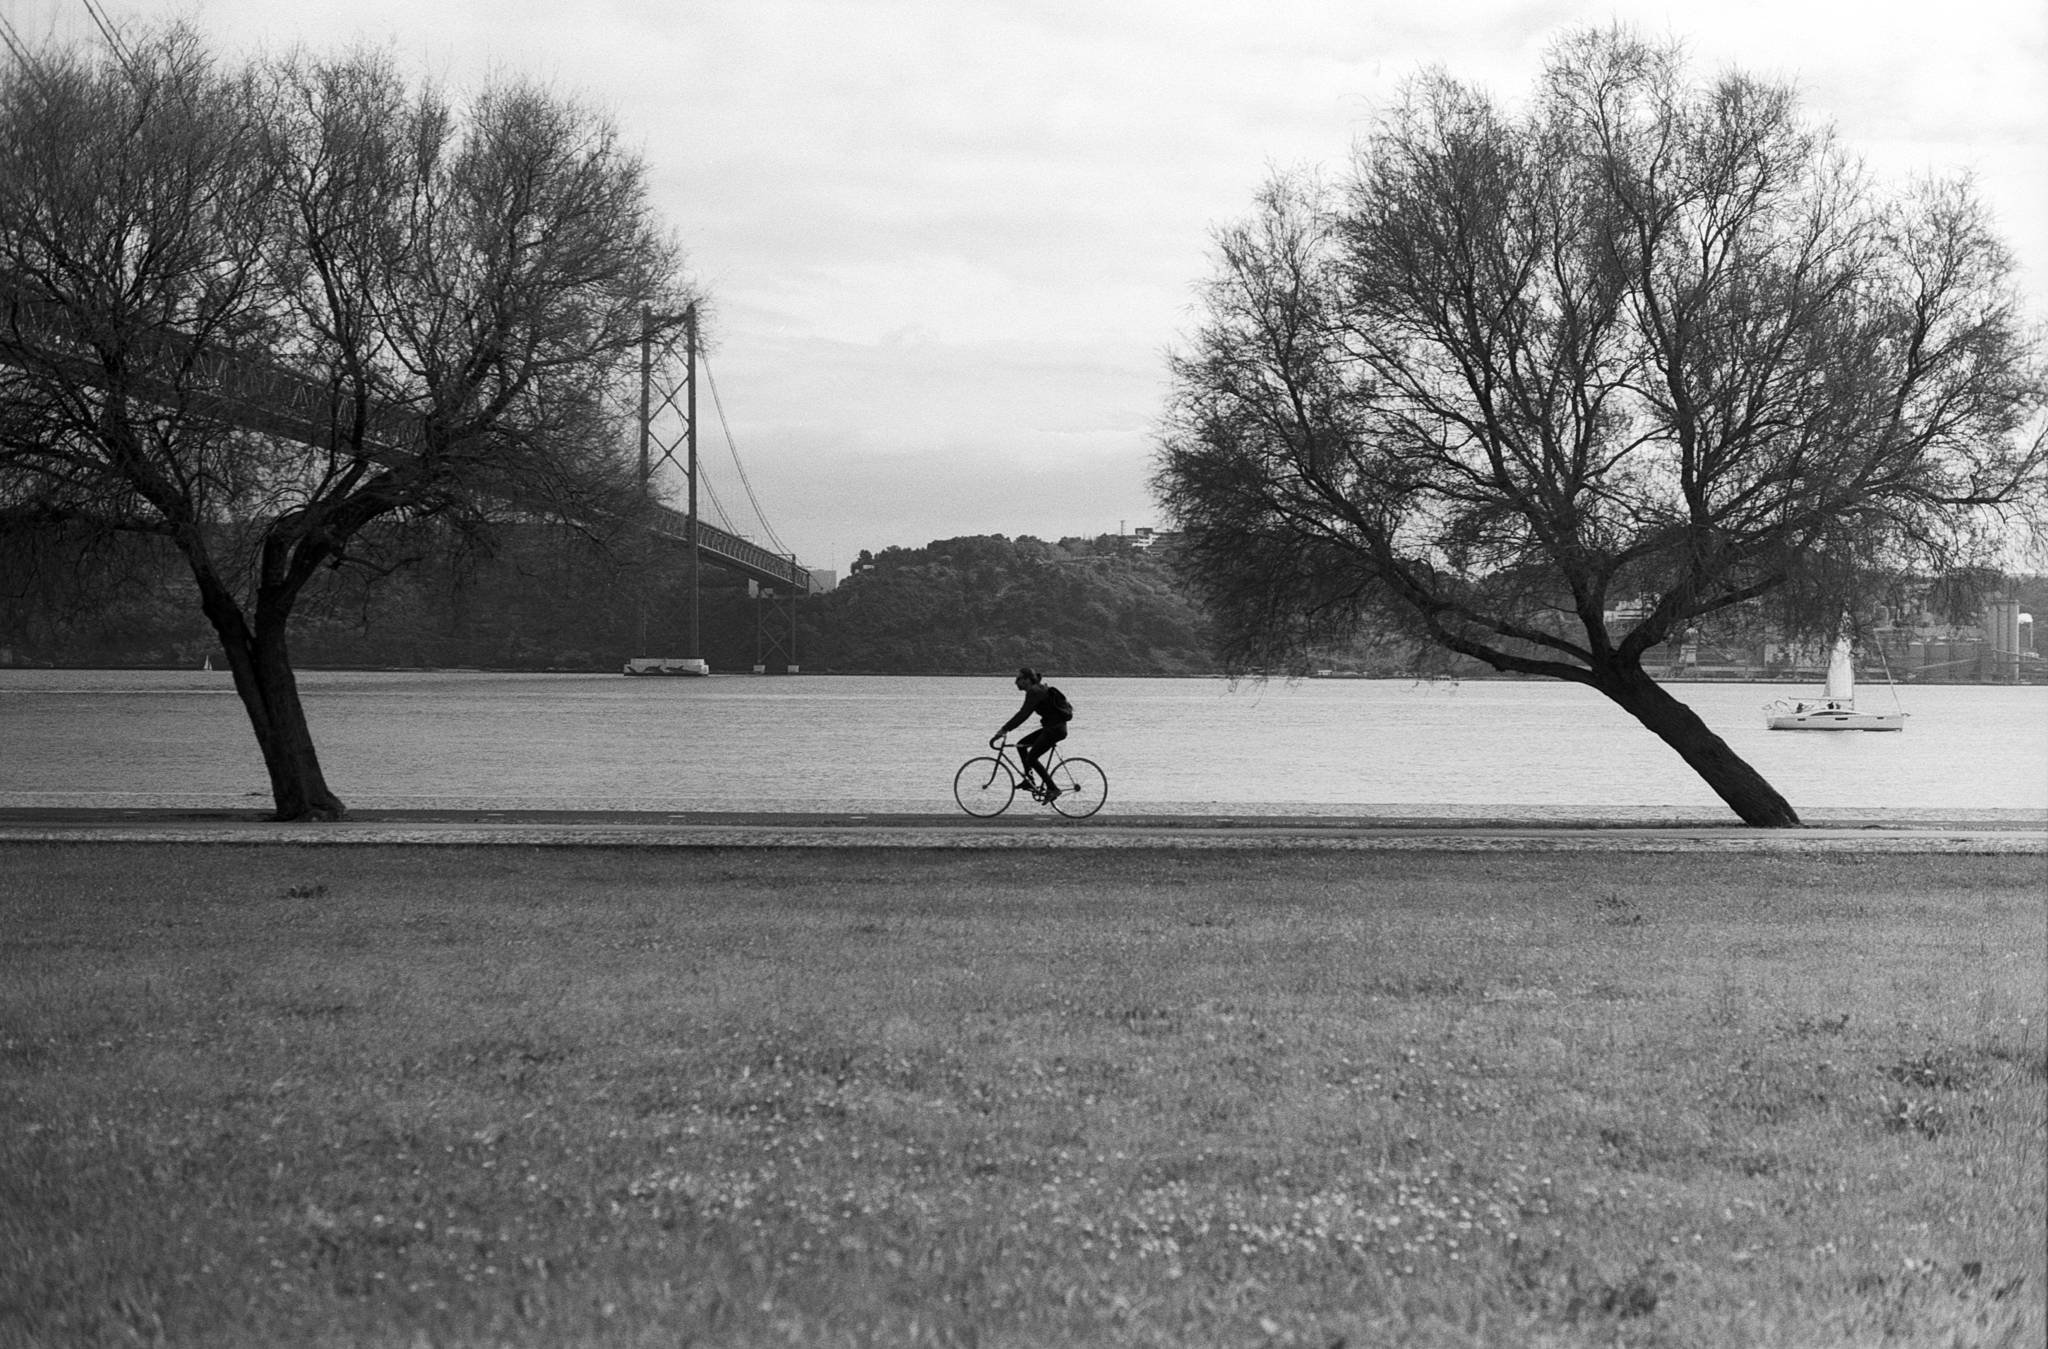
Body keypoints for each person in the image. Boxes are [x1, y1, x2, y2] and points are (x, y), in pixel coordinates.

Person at [992, 666, 1071, 799]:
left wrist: (1004, 729)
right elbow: (1023, 714)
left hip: (1055, 730)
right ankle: (1029, 781)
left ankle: (1053, 789)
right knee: (1021, 745)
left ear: (1028, 680)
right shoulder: (1036, 690)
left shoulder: (1035, 691)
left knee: (1032, 758)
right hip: (1052, 728)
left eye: (1018, 678)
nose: (1015, 682)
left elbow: (1023, 714)